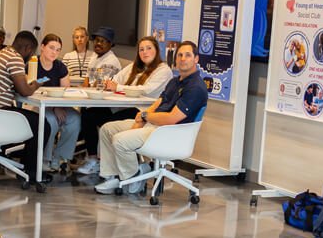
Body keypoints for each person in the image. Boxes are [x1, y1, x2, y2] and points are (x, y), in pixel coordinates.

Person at [94, 41, 206, 195]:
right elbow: (159, 102)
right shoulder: (175, 81)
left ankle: (133, 177)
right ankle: (113, 176)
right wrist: (142, 118)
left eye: (188, 55)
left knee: (120, 140)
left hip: (168, 133)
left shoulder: (196, 88)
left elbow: (172, 119)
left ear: (196, 59)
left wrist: (146, 116)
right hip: (153, 125)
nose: (182, 59)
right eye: (180, 55)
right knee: (107, 129)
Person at [77, 35, 171, 175]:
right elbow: (116, 79)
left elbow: (145, 90)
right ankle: (93, 158)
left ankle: (112, 163)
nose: (145, 52)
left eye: (149, 48)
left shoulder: (163, 70)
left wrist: (118, 87)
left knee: (107, 125)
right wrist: (110, 83)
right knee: (88, 112)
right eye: (141, 49)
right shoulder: (135, 67)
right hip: (122, 106)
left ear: (157, 50)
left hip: (142, 112)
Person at [0, 30, 43, 177]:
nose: (31, 56)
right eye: (32, 52)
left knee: (33, 120)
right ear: (27, 48)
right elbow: (25, 91)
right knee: (41, 124)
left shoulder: (4, 53)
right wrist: (36, 84)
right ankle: (32, 172)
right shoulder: (15, 58)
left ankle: (26, 166)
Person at [35, 34, 79, 173]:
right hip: (37, 105)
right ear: (42, 47)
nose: (54, 52)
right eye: (51, 48)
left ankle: (59, 157)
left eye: (58, 50)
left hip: (58, 105)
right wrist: (54, 107)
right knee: (51, 120)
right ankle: (44, 158)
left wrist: (58, 106)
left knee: (75, 118)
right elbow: (30, 91)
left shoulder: (60, 67)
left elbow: (65, 92)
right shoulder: (32, 64)